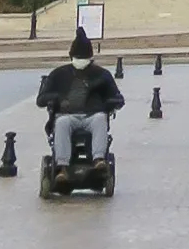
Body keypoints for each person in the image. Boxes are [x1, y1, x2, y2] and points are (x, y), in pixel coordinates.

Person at [37, 26, 124, 166]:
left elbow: (118, 97)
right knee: (61, 123)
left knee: (100, 118)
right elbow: (41, 100)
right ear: (71, 57)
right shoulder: (59, 74)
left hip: (93, 115)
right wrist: (57, 97)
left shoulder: (101, 75)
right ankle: (62, 165)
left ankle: (99, 160)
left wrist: (110, 103)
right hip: (67, 115)